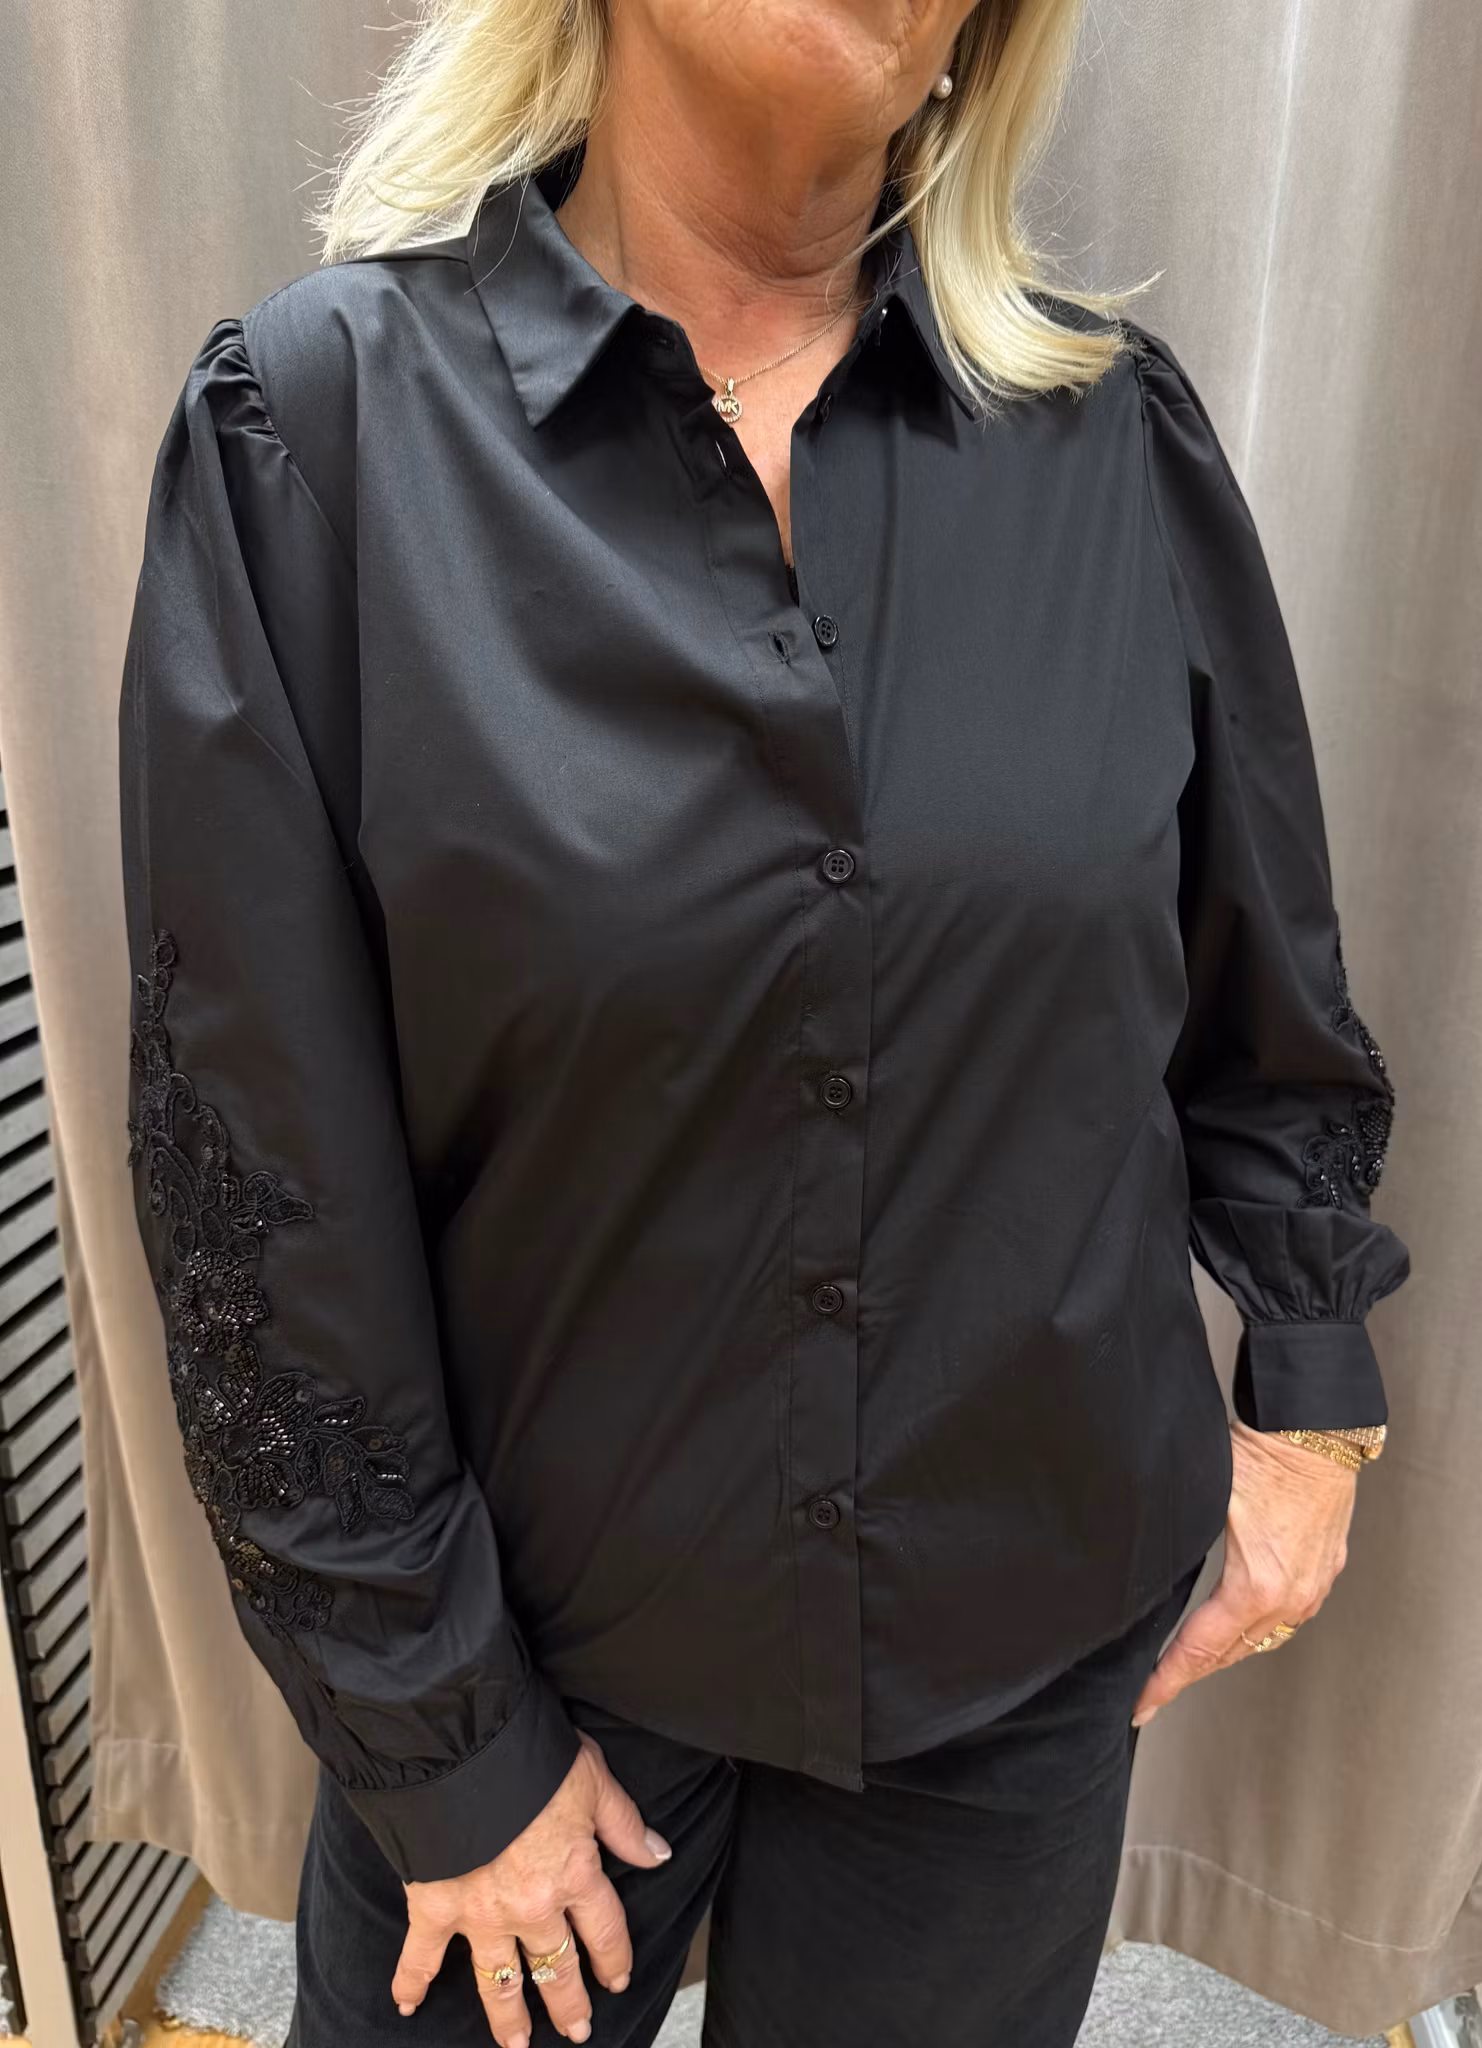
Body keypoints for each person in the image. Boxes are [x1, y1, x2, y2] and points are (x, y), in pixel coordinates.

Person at [118, 1, 1411, 2043]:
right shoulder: (319, 434)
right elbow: (250, 1163)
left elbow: (1267, 981)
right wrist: (437, 1735)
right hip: (531, 1656)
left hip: (1015, 1661)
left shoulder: (1112, 443)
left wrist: (1312, 1405)